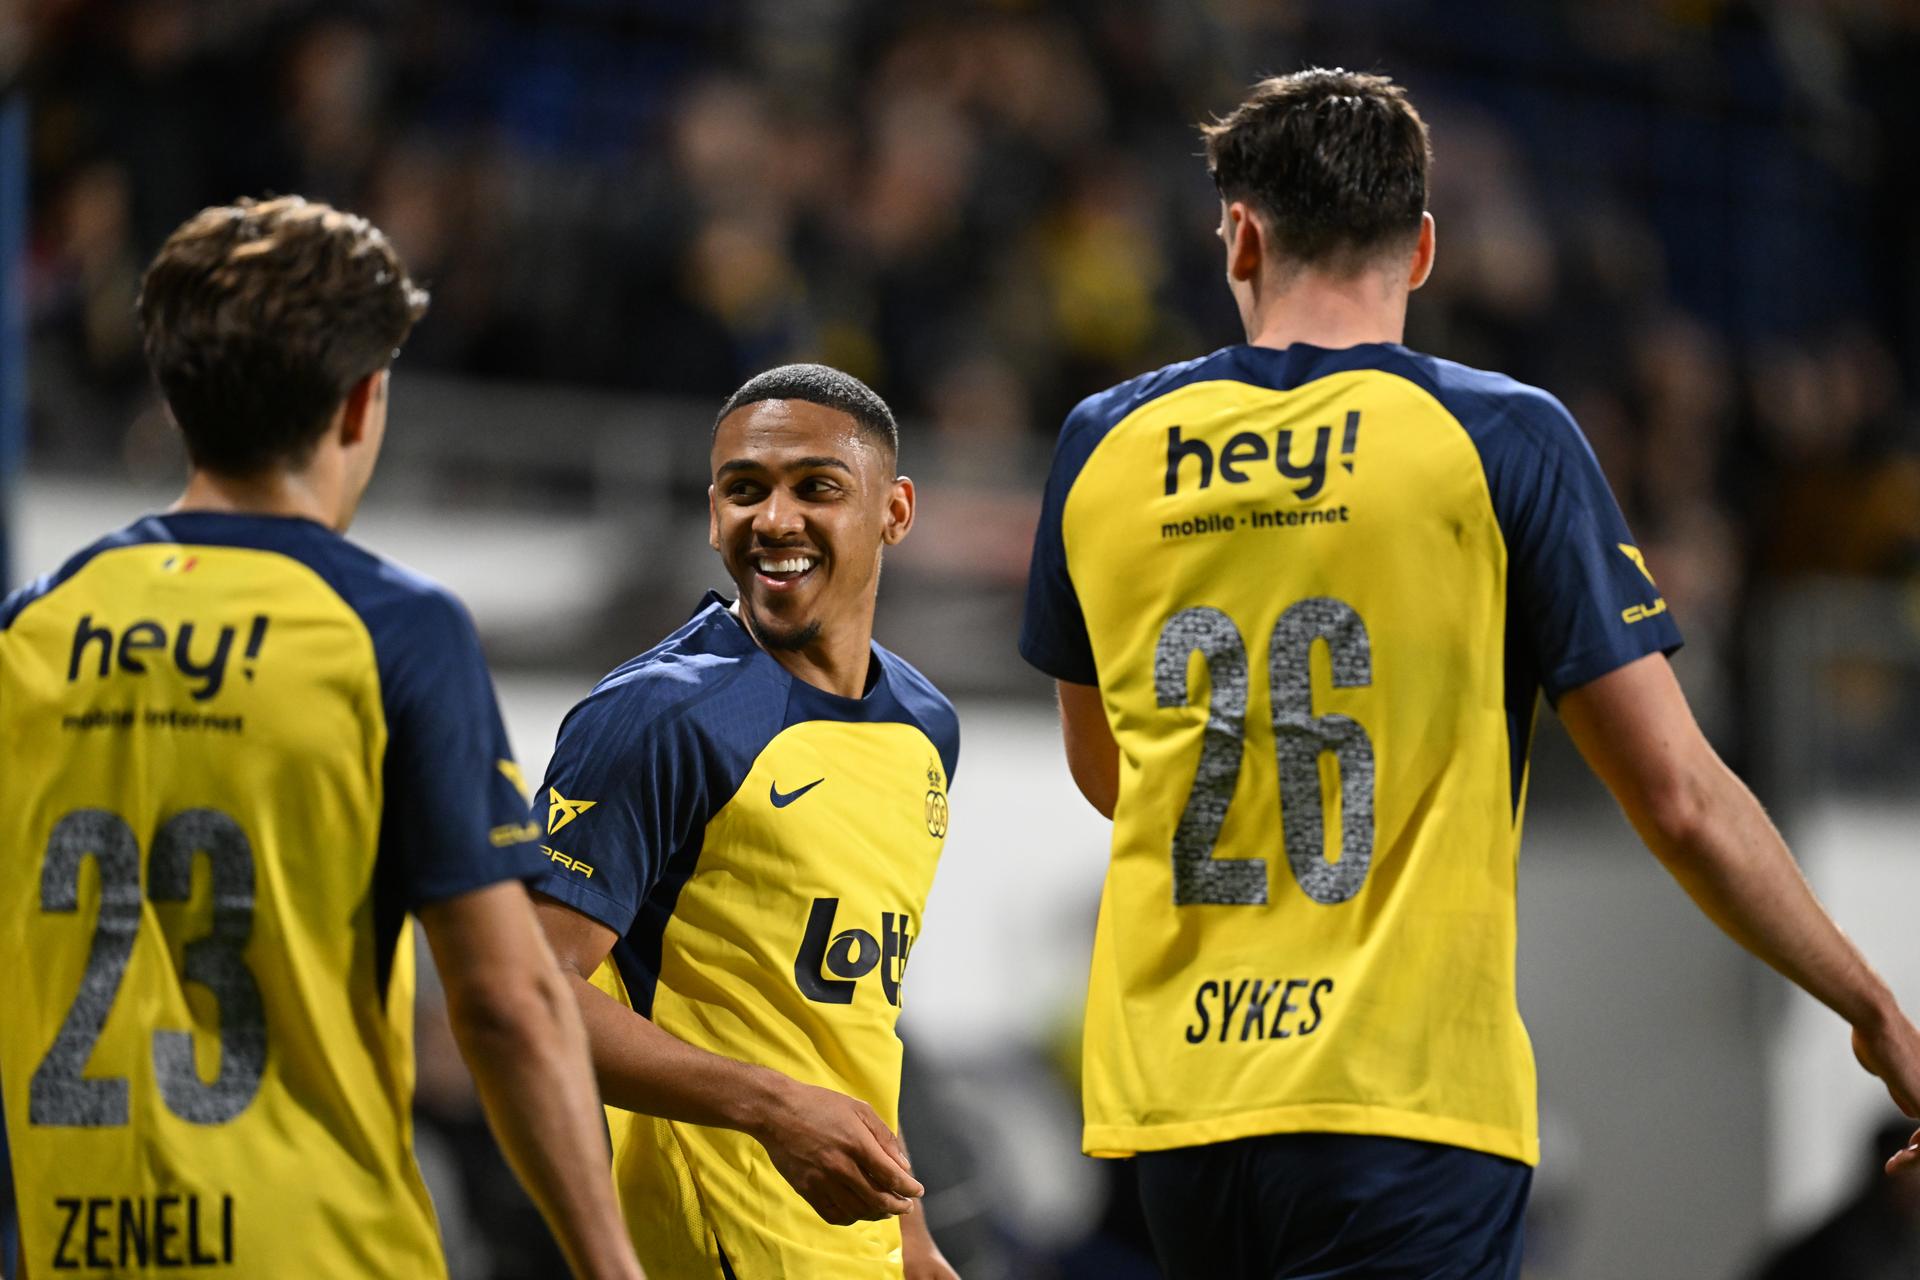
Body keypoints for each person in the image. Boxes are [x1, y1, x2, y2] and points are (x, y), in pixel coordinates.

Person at [1018, 69, 1920, 1279]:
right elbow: (1679, 797)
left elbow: (1106, 769)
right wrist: (1873, 1007)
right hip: (1401, 1106)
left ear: (1238, 232)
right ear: (1425, 248)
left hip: (1177, 1111)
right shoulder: (1501, 436)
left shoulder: (1102, 442)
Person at [0, 196, 642, 1280]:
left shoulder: (36, 625)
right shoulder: (392, 628)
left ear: (176, 394)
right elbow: (505, 997)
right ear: (361, 402)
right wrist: (609, 1263)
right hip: (320, 1246)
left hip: (76, 1246)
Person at [529, 363, 960, 1279]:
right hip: (709, 1249)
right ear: (713, 511)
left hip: (855, 1252)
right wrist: (769, 1109)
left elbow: (849, 1013)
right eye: (745, 490)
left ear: (896, 511)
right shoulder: (656, 718)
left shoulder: (925, 727)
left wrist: (909, 1235)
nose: (775, 520)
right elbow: (531, 994)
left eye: (817, 488)